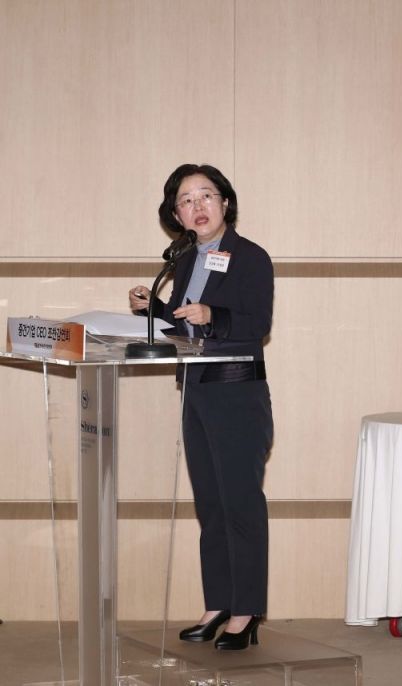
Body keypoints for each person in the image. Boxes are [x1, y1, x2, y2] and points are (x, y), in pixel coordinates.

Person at [129, 163, 274, 651]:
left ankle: (247, 611)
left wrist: (214, 315)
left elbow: (257, 323)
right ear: (177, 214)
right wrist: (154, 309)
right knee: (211, 507)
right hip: (196, 391)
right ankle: (219, 604)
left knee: (240, 506)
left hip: (237, 394)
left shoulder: (251, 257)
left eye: (206, 195)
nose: (198, 207)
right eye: (186, 201)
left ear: (225, 202)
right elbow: (184, 325)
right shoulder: (188, 260)